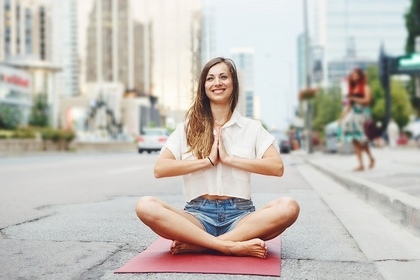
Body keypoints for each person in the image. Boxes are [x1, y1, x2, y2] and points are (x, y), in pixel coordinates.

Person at [135, 57, 300, 258]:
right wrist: (207, 162)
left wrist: (230, 160)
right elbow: (160, 169)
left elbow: (277, 167)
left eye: (223, 77)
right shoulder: (187, 128)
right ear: (204, 86)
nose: (217, 83)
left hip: (241, 217)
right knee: (145, 205)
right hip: (197, 216)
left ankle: (205, 245)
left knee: (289, 207)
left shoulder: (252, 128)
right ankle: (229, 246)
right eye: (210, 78)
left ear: (233, 83)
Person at [338, 68, 375, 171]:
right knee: (354, 140)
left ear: (360, 75)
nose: (353, 77)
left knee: (362, 139)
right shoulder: (352, 89)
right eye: (352, 75)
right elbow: (349, 106)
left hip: (362, 114)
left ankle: (370, 158)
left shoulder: (366, 88)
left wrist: (354, 98)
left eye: (355, 75)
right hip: (352, 115)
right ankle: (361, 164)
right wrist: (342, 117)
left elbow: (367, 100)